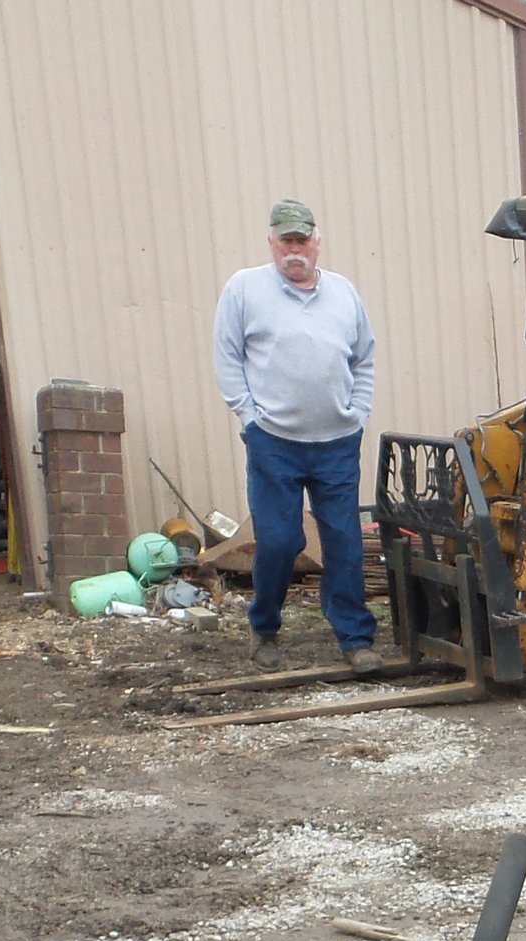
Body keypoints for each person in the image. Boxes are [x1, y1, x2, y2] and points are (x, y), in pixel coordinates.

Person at [214, 200, 380, 672]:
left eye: (302, 240)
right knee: (280, 540)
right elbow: (227, 358)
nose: (294, 249)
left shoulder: (345, 293)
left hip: (337, 442)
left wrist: (358, 411)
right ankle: (264, 628)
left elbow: (364, 357)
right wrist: (249, 416)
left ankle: (355, 639)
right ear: (271, 242)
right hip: (274, 442)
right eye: (285, 240)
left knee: (345, 542)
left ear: (317, 242)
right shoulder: (244, 289)